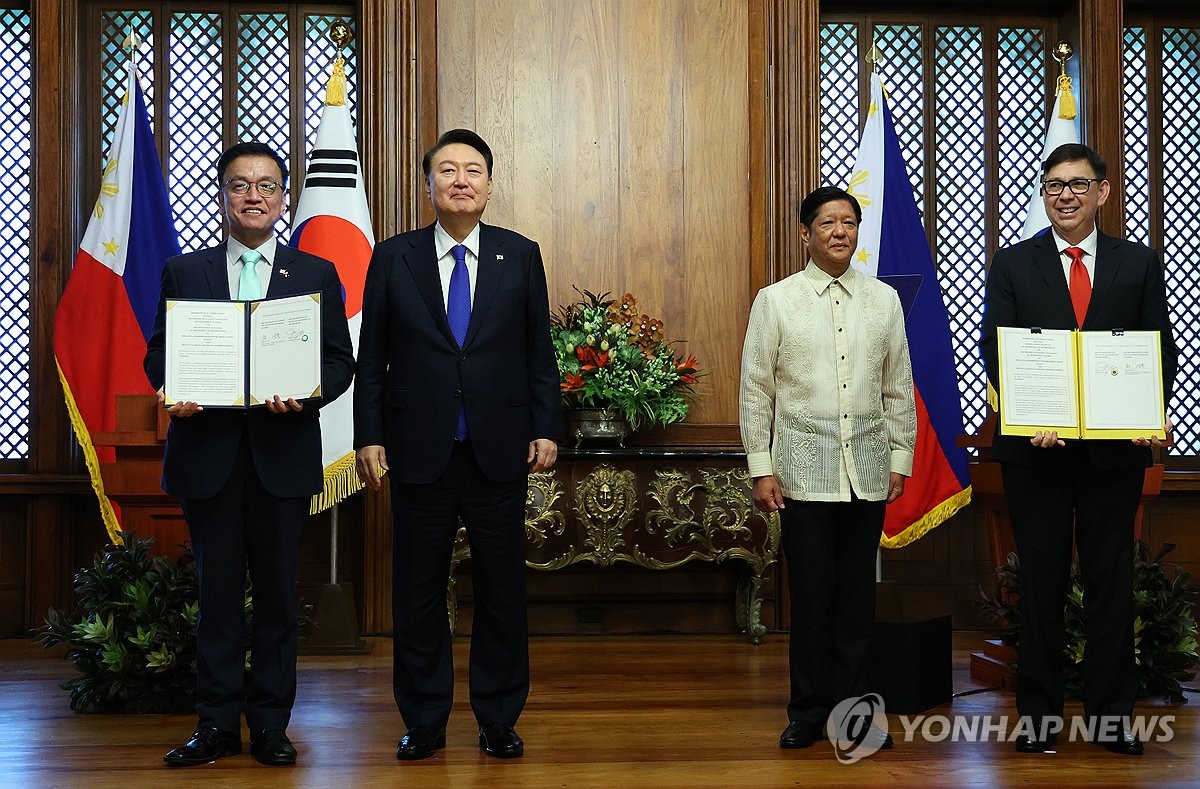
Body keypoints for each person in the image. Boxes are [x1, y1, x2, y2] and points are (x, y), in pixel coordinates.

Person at [145, 141, 355, 767]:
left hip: (281, 456)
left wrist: (307, 393)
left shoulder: (314, 275)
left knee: (277, 600)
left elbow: (340, 362)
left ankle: (269, 725)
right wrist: (172, 389)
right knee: (215, 600)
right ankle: (213, 725)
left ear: (284, 197)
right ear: (223, 195)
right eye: (240, 185)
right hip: (208, 456)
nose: (254, 196)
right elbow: (161, 354)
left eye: (266, 185)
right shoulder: (187, 271)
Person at [354, 128, 561, 761]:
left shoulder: (520, 256)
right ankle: (424, 719)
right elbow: (374, 357)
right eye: (448, 170)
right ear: (429, 185)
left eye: (473, 170)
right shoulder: (394, 258)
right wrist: (369, 437)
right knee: (417, 594)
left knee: (502, 592)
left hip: (499, 450)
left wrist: (546, 424)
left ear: (490, 185)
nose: (461, 180)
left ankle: (499, 718)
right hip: (419, 448)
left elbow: (538, 355)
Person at [981, 142, 1178, 756]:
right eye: (1052, 185)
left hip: (1114, 453)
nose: (1063, 194)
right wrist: (1028, 413)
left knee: (1110, 582)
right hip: (1036, 451)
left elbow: (1157, 349)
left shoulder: (1139, 263)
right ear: (1045, 195)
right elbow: (997, 350)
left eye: (1076, 184)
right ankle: (1038, 717)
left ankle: (1111, 717)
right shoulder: (1013, 264)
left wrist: (1148, 413)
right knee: (1038, 583)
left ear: (1102, 192)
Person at [739, 186, 916, 749]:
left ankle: (856, 715)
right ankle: (808, 712)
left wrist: (899, 457)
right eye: (827, 224)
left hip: (866, 470)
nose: (839, 232)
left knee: (856, 602)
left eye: (848, 222)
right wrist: (761, 467)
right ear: (805, 234)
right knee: (812, 600)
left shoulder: (883, 300)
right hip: (801, 475)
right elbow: (756, 390)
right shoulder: (776, 300)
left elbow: (897, 387)